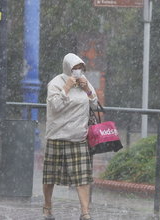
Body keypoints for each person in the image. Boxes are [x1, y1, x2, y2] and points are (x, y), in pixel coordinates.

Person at [42, 53, 97, 220]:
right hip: (57, 136)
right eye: (75, 68)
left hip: (78, 136)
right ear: (67, 68)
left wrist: (87, 89)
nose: (78, 71)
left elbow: (94, 103)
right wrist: (66, 87)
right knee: (50, 176)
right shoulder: (56, 83)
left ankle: (85, 212)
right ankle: (47, 206)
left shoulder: (84, 82)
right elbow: (55, 106)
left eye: (81, 68)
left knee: (82, 177)